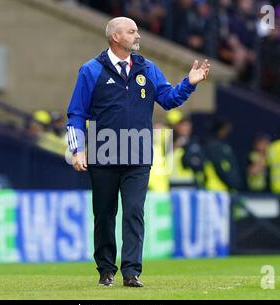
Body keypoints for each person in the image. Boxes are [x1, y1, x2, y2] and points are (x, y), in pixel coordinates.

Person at [66, 17, 210, 287]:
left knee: (134, 211)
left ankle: (131, 272)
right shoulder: (91, 70)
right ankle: (106, 270)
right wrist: (77, 149)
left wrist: (189, 83)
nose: (137, 35)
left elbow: (168, 99)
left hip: (138, 155)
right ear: (115, 37)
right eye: (131, 31)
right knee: (105, 214)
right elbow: (76, 114)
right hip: (103, 155)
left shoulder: (148, 68)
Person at [204, 118, 242, 192]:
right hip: (215, 189)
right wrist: (233, 183)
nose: (227, 132)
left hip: (223, 189)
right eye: (225, 129)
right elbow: (221, 168)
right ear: (219, 130)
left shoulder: (223, 145)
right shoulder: (214, 147)